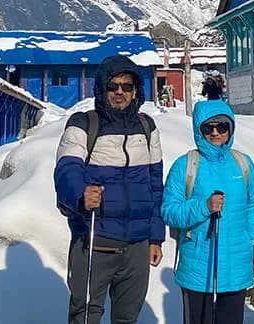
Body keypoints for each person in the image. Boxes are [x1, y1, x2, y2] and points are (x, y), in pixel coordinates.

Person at [54, 56, 165, 324]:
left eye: (127, 87)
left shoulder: (147, 128)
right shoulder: (84, 124)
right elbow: (66, 170)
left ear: (136, 91)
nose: (119, 92)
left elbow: (154, 186)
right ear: (102, 89)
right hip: (95, 241)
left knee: (127, 318)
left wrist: (155, 237)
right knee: (85, 317)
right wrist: (81, 194)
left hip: (136, 248)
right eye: (113, 86)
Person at [162, 99, 254, 324]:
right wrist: (203, 207)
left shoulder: (243, 164)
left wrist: (252, 237)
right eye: (208, 128)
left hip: (236, 264)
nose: (216, 133)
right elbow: (169, 211)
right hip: (197, 267)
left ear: (231, 128)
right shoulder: (186, 165)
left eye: (222, 127)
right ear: (199, 130)